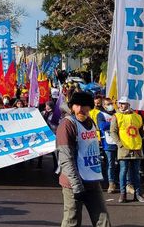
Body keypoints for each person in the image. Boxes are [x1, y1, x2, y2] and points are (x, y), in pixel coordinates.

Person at [56, 91, 111, 227]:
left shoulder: (90, 121)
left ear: (90, 107)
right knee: (72, 220)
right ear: (72, 106)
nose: (80, 109)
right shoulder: (67, 125)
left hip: (91, 180)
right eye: (76, 105)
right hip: (73, 183)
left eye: (84, 106)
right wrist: (77, 186)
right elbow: (66, 158)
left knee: (103, 219)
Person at [110, 97, 144, 203]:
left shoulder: (138, 116)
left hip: (136, 147)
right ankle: (123, 194)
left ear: (129, 104)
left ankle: (138, 194)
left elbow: (140, 132)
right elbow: (113, 131)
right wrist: (120, 144)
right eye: (120, 103)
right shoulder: (116, 116)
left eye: (124, 104)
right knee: (123, 171)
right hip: (124, 148)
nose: (121, 105)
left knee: (136, 172)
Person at [96, 98, 117, 193]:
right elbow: (102, 126)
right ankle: (111, 183)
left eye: (111, 103)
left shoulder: (116, 113)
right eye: (108, 104)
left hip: (119, 141)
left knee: (122, 164)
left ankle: (123, 182)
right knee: (110, 164)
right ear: (104, 105)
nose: (111, 105)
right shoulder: (101, 115)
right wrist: (114, 122)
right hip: (108, 143)